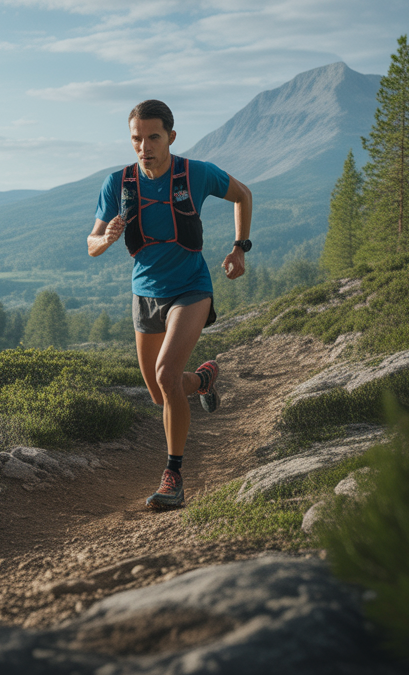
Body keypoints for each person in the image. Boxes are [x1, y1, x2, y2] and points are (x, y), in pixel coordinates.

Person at [87, 99, 252, 510]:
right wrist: (106, 238)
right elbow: (91, 244)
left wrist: (239, 248)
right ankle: (203, 380)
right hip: (144, 295)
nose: (144, 147)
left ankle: (173, 477)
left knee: (165, 373)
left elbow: (243, 195)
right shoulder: (118, 183)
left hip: (191, 289)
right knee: (162, 394)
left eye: (153, 137)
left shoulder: (196, 173)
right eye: (137, 139)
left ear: (171, 137)